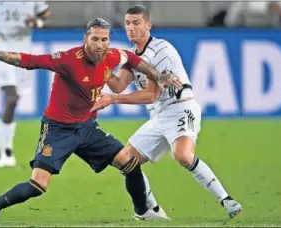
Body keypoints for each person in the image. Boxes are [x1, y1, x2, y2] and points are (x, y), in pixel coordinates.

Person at [0, 18, 182, 221]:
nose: (99, 44)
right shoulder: (69, 59)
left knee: (130, 163)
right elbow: (30, 61)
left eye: (104, 39)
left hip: (87, 127)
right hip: (57, 129)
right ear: (85, 39)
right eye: (94, 38)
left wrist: (158, 76)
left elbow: (134, 60)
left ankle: (143, 212)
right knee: (37, 185)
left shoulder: (112, 55)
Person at [91, 5, 243, 219]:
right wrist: (99, 63)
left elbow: (150, 95)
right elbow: (118, 85)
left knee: (182, 155)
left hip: (181, 108)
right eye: (127, 23)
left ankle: (227, 200)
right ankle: (151, 209)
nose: (131, 28)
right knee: (125, 161)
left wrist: (113, 99)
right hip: (159, 116)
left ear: (148, 25)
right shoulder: (134, 56)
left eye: (136, 23)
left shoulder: (160, 51)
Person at [0, 1, 51, 167]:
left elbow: (45, 16)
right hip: (0, 50)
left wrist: (36, 22)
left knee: (15, 100)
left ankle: (4, 147)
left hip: (22, 53)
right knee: (11, 98)